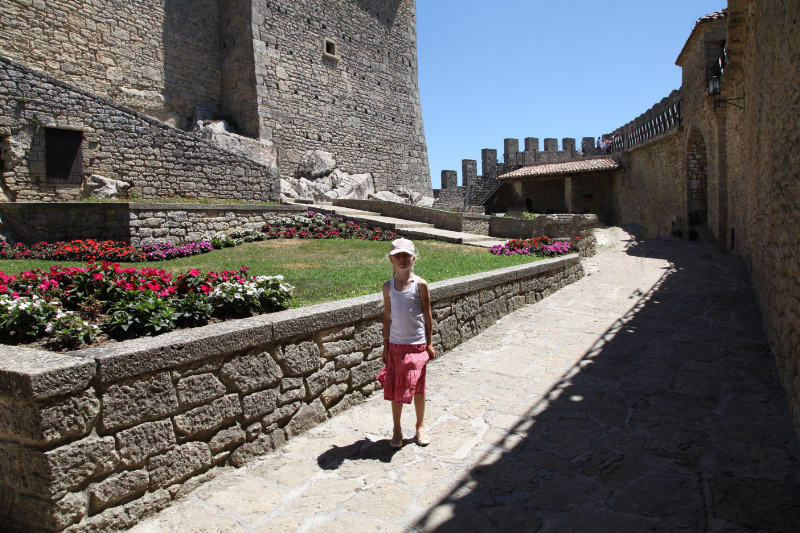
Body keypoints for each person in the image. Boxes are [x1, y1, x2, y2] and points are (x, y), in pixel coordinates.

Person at [376, 238, 435, 448]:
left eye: (406, 255)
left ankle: (420, 426)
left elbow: (427, 316)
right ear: (391, 259)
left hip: (417, 344)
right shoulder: (388, 286)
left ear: (413, 258)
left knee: (418, 387)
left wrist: (429, 343)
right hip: (395, 345)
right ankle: (397, 428)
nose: (402, 259)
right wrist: (385, 345)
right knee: (395, 387)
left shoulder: (420, 285)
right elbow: (388, 316)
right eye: (398, 256)